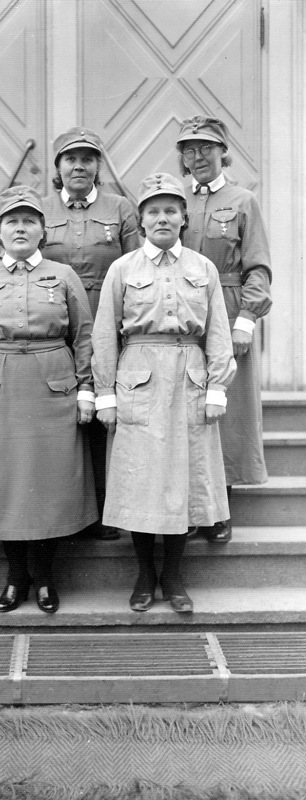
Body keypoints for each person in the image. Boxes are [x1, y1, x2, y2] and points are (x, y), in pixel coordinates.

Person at [92, 173, 236, 614]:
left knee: (182, 480)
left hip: (189, 376)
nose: (162, 218)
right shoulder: (123, 269)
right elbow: (104, 334)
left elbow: (218, 332)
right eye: (153, 211)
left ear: (183, 218)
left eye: (171, 210)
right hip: (139, 378)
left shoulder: (203, 268)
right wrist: (105, 393)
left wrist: (216, 387)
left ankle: (172, 576)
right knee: (140, 480)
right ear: (140, 221)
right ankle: (143, 574)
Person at [0, 185, 98, 614]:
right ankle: (16, 577)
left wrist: (86, 389)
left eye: (29, 221)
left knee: (49, 483)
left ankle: (46, 577)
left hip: (53, 390)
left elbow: (84, 336)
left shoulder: (63, 275)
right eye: (12, 221)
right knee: (5, 485)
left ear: (42, 231)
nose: (20, 228)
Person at [176, 116, 272, 542]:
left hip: (229, 311)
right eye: (189, 150)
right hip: (181, 313)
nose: (198, 157)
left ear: (223, 152)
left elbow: (258, 267)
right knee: (184, 408)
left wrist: (246, 321)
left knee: (226, 412)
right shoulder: (174, 198)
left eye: (206, 148)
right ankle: (188, 507)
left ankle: (220, 509)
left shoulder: (242, 200)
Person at [42, 127, 139, 540]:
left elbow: (136, 267)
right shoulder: (40, 209)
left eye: (87, 158)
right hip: (53, 325)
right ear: (58, 167)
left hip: (108, 322)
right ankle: (63, 507)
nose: (79, 166)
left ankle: (103, 506)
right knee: (62, 413)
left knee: (103, 411)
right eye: (70, 159)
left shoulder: (120, 208)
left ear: (99, 166)